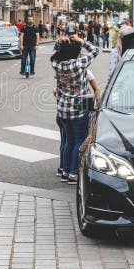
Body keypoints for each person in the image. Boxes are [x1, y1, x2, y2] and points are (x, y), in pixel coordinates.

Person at [52, 35, 100, 183]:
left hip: (63, 109)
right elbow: (95, 50)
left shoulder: (57, 64)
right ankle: (74, 173)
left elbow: (55, 52)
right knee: (79, 141)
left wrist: (59, 41)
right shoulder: (79, 64)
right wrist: (81, 41)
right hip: (79, 109)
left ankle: (65, 171)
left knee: (68, 141)